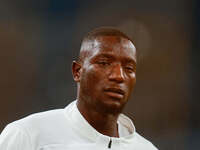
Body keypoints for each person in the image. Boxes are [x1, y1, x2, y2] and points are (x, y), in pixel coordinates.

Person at [0, 27, 158, 150]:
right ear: (77, 71)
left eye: (129, 68)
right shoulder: (29, 136)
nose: (118, 76)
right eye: (104, 63)